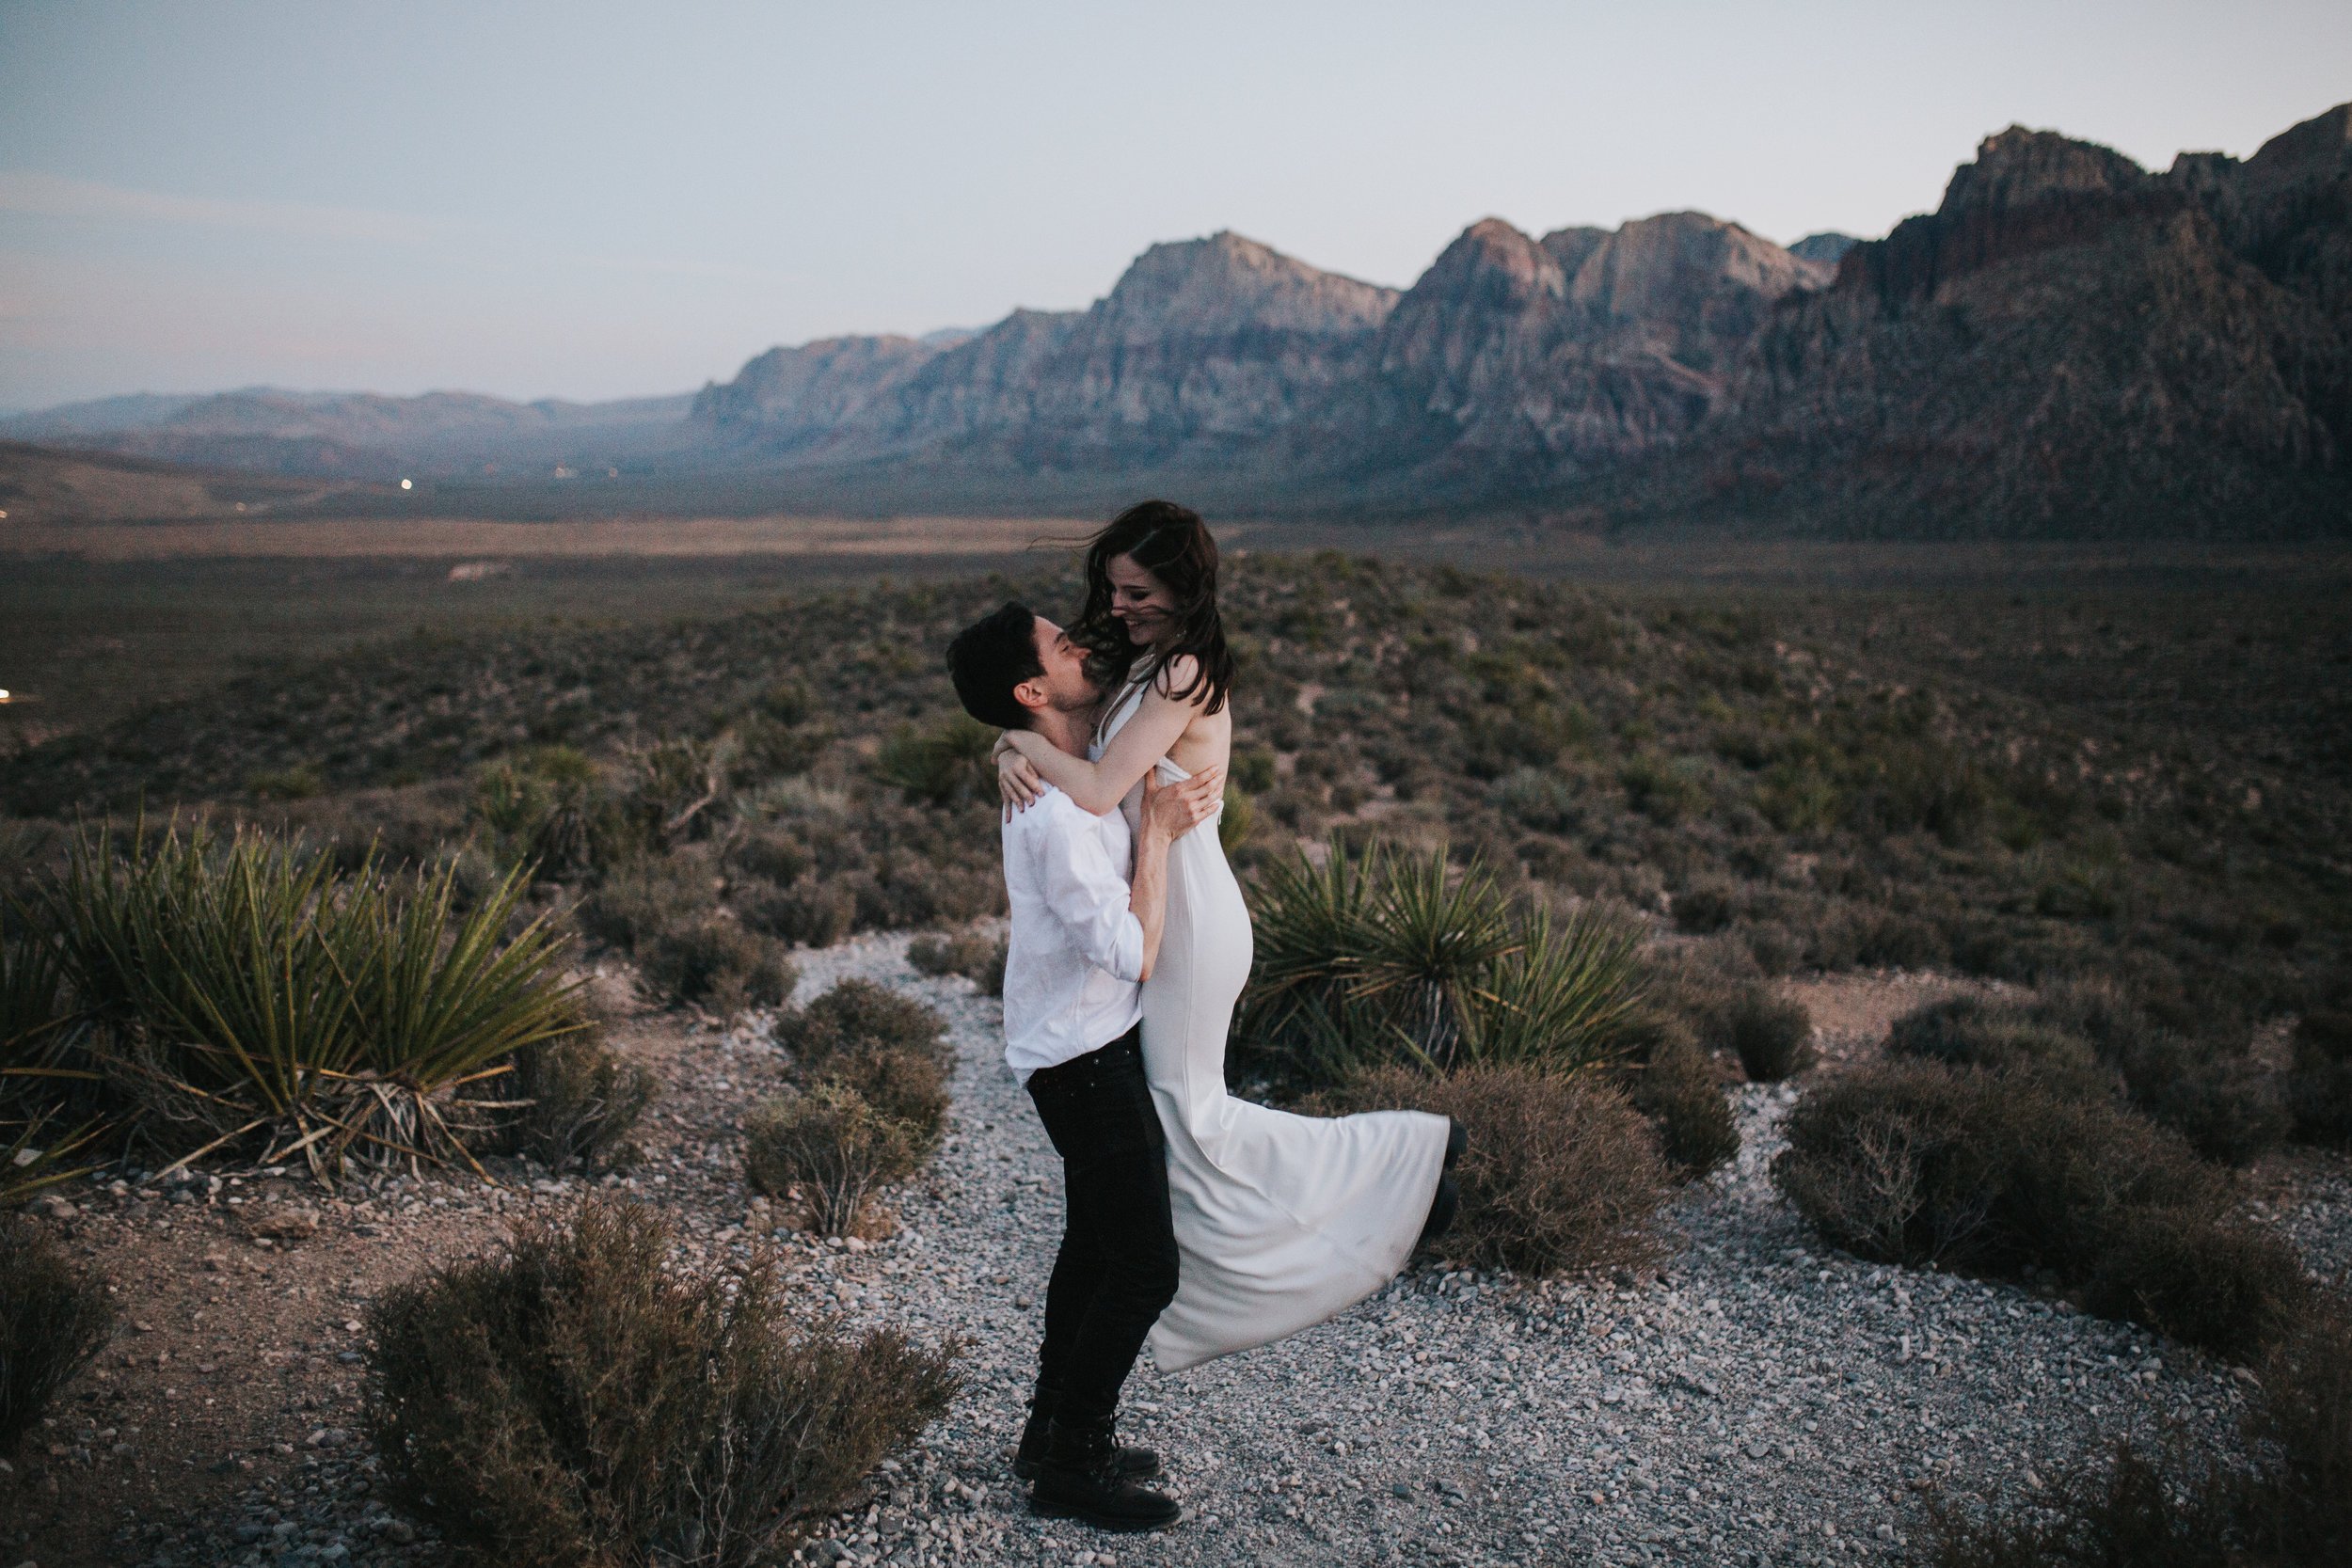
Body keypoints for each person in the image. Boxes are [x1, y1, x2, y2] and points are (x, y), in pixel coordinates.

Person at [996, 499, 1461, 1376]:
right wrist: (1009, 744)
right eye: (1112, 588)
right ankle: (1145, 1308)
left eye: (1137, 591)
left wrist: (1017, 738)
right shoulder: (1139, 658)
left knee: (1190, 1115)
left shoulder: (1185, 674)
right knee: (1175, 1131)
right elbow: (1072, 725)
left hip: (1192, 918)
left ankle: (1405, 1165)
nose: (1118, 604)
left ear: (1183, 587)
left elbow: (1097, 788)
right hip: (1165, 902)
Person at [946, 599, 1224, 1533]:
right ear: (1034, 688)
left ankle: (1047, 1433)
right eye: (1062, 643)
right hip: (1081, 1058)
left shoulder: (1064, 765)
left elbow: (1104, 758)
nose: (1083, 640)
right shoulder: (1056, 817)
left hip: (1081, 1047)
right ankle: (1072, 1457)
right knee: (1145, 1267)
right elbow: (1130, 952)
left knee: (1094, 1245)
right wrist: (1159, 835)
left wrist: (1006, 745)